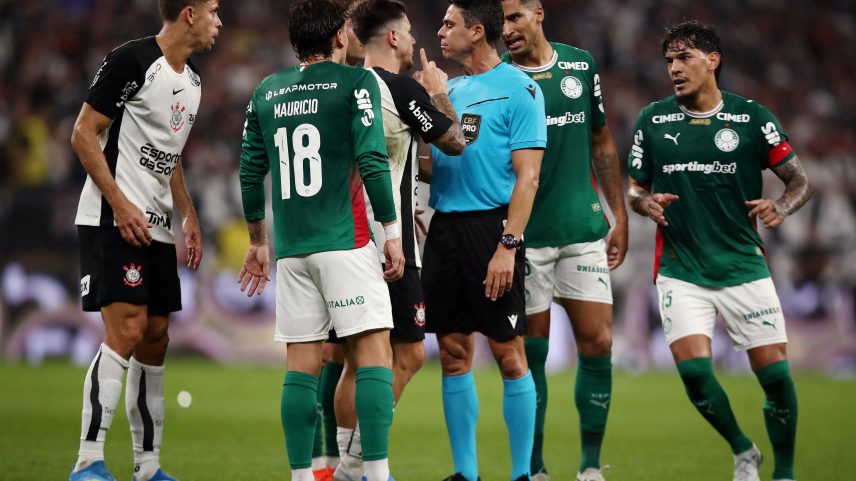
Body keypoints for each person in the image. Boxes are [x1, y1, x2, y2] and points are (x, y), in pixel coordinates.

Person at [627, 20, 811, 481]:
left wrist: (781, 206)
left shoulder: (753, 119)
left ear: (713, 60)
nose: (674, 68)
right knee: (694, 373)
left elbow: (799, 181)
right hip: (680, 267)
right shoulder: (653, 120)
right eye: (669, 60)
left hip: (743, 265)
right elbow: (634, 189)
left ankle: (785, 472)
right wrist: (643, 203)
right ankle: (743, 450)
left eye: (684, 58)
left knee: (776, 378)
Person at [237, 1, 404, 481]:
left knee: (301, 366)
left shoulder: (267, 91)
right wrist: (392, 233)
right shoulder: (357, 82)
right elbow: (372, 161)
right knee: (374, 355)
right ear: (338, 37)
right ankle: (376, 474)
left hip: (292, 251)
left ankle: (301, 476)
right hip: (345, 240)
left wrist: (258, 240)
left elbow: (250, 170)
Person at [69, 1, 220, 480]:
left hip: (156, 224)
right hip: (112, 217)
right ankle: (88, 461)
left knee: (156, 339)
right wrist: (119, 203)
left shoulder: (193, 81)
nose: (219, 22)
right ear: (189, 13)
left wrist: (187, 213)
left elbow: (168, 154)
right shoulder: (131, 61)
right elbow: (83, 133)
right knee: (128, 330)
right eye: (214, 11)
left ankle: (148, 467)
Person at [329, 1, 467, 480]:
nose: (413, 40)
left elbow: (382, 160)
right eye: (407, 31)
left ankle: (344, 465)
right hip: (391, 245)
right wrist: (439, 92)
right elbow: (454, 141)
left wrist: (405, 193)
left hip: (345, 238)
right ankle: (354, 468)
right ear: (391, 37)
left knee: (355, 362)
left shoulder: (346, 86)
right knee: (407, 354)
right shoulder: (402, 88)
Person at [498, 2, 628, 480]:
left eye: (514, 17)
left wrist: (619, 215)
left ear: (538, 12)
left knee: (598, 341)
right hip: (526, 237)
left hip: (581, 229)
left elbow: (601, 141)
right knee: (532, 353)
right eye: (500, 22)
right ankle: (535, 469)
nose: (506, 29)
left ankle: (590, 466)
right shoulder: (499, 79)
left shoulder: (580, 65)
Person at [421, 1, 546, 480]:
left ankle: (521, 475)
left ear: (476, 32)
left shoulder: (520, 89)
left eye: (449, 24)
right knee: (453, 354)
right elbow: (442, 164)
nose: (440, 32)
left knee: (509, 354)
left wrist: (508, 246)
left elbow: (528, 177)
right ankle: (466, 474)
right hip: (445, 230)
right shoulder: (450, 90)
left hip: (493, 229)